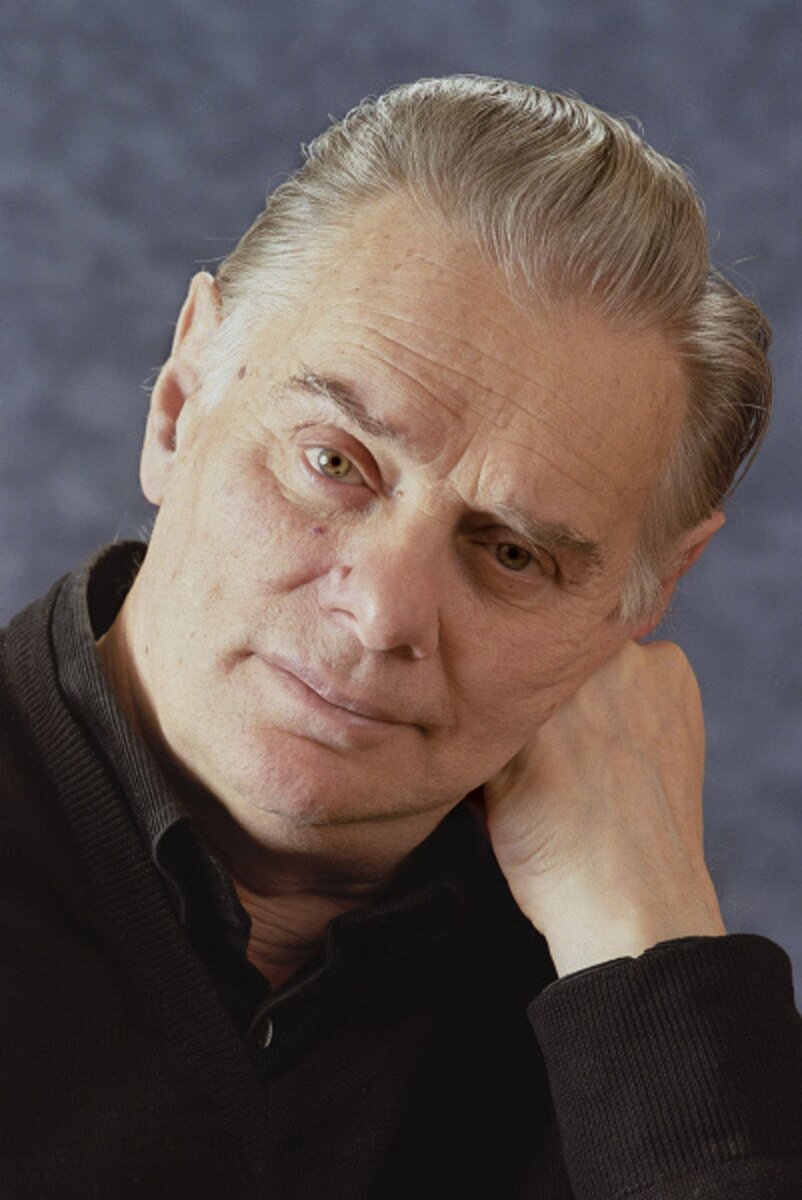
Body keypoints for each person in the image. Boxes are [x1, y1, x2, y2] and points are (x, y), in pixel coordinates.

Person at [1, 75, 799, 1199]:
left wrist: (646, 940)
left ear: (646, 594)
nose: (382, 615)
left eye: (511, 553)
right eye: (335, 463)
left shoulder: (649, 1013)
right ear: (180, 403)